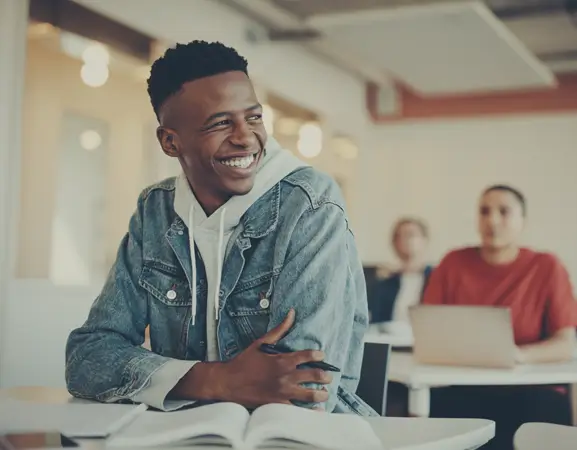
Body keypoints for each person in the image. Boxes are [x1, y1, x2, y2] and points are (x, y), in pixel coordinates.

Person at [65, 40, 374, 416]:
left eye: (254, 117)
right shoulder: (156, 211)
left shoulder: (309, 203)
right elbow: (87, 358)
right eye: (221, 122)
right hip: (182, 433)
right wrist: (220, 380)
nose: (246, 137)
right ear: (170, 142)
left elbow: (304, 390)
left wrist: (176, 380)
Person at [422, 184, 577, 450]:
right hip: (465, 385)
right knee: (433, 409)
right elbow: (429, 329)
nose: (492, 220)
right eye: (484, 211)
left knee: (540, 413)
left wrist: (520, 355)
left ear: (523, 221)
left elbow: (566, 343)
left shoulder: (547, 266)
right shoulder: (452, 262)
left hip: (530, 388)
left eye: (504, 212)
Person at [369, 218, 433, 326]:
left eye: (410, 235)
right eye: (398, 236)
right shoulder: (385, 284)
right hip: (390, 339)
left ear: (424, 240)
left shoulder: (437, 279)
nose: (403, 240)